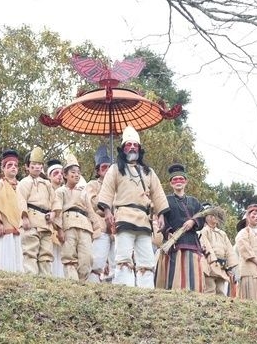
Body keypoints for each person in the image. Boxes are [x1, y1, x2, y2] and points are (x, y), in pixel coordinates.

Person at [97, 125, 169, 288]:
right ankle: (125, 289)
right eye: (128, 145)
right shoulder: (115, 169)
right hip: (123, 216)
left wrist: (161, 214)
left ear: (139, 149)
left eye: (134, 145)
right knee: (123, 257)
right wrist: (108, 211)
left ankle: (146, 291)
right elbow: (107, 190)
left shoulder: (148, 172)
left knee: (146, 260)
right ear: (123, 148)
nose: (132, 148)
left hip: (144, 219)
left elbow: (158, 193)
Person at [154, 163, 204, 292]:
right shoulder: (166, 200)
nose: (178, 182)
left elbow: (202, 216)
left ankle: (193, 294)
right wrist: (168, 232)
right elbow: (162, 219)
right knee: (174, 275)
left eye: (181, 179)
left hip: (191, 242)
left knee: (192, 276)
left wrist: (193, 221)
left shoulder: (194, 201)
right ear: (171, 183)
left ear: (186, 181)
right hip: (174, 243)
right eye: (175, 180)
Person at [17, 146, 60, 275]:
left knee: (46, 254)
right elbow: (21, 200)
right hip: (31, 219)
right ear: (27, 166)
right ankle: (32, 278)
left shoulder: (47, 183)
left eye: (39, 164)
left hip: (45, 222)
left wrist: (53, 213)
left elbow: (55, 200)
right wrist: (24, 217)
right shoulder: (24, 183)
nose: (37, 167)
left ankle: (45, 278)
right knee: (30, 251)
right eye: (34, 164)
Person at [54, 153, 97, 281]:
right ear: (65, 175)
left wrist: (95, 226)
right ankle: (72, 284)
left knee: (87, 258)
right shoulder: (60, 191)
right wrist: (59, 229)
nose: (76, 175)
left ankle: (82, 283)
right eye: (73, 172)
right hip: (68, 224)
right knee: (69, 257)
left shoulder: (84, 192)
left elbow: (90, 209)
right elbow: (57, 210)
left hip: (84, 225)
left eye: (78, 172)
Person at [0, 149, 24, 273]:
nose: (13, 168)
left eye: (15, 165)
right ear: (3, 168)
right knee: (5, 258)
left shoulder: (21, 185)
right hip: (4, 226)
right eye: (9, 165)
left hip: (19, 227)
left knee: (19, 257)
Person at [84, 144, 115, 283]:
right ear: (98, 170)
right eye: (104, 168)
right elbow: (94, 203)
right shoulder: (92, 185)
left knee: (118, 263)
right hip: (100, 228)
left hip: (116, 228)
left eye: (109, 167)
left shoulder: (118, 186)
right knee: (97, 263)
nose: (107, 170)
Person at [198, 205, 237, 296]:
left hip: (222, 266)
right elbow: (205, 246)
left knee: (221, 291)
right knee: (210, 289)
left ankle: (220, 309)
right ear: (206, 217)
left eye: (215, 216)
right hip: (209, 264)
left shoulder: (222, 233)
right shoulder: (203, 231)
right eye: (211, 215)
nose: (214, 218)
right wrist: (213, 260)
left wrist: (229, 267)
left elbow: (229, 250)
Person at [46, 158, 65, 278]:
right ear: (49, 176)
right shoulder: (46, 190)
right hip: (50, 229)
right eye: (55, 173)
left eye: (61, 173)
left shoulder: (66, 190)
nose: (59, 176)